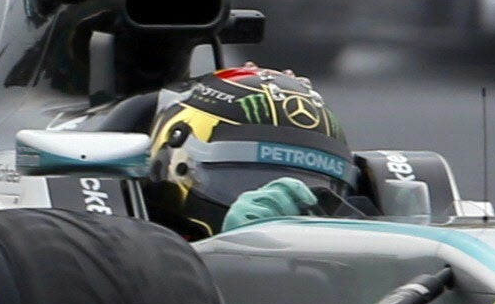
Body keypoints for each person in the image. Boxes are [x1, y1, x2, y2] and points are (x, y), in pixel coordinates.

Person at [141, 64, 358, 235]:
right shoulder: (134, 259)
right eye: (246, 182)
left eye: (312, 191)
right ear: (178, 161)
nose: (280, 213)